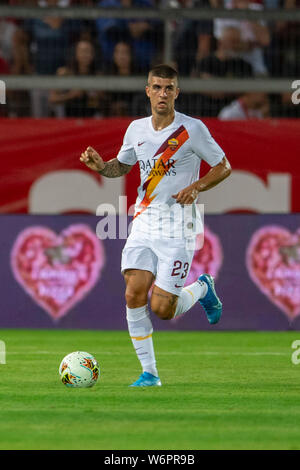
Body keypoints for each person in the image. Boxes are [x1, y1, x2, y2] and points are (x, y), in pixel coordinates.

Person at [80, 64, 231, 387]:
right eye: (157, 87)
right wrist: (100, 167)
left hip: (179, 226)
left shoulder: (192, 129)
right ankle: (149, 374)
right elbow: (120, 167)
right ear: (147, 90)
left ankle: (203, 287)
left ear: (177, 92)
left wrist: (197, 187)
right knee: (133, 294)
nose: (163, 93)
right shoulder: (136, 130)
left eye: (169, 88)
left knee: (163, 309)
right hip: (144, 221)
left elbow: (223, 166)